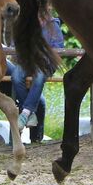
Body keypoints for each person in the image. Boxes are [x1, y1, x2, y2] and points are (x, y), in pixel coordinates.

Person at [11, 9, 65, 143]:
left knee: (39, 76)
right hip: (27, 61)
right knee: (16, 76)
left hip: (45, 63)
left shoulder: (53, 26)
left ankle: (25, 112)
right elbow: (14, 45)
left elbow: (59, 48)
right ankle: (30, 113)